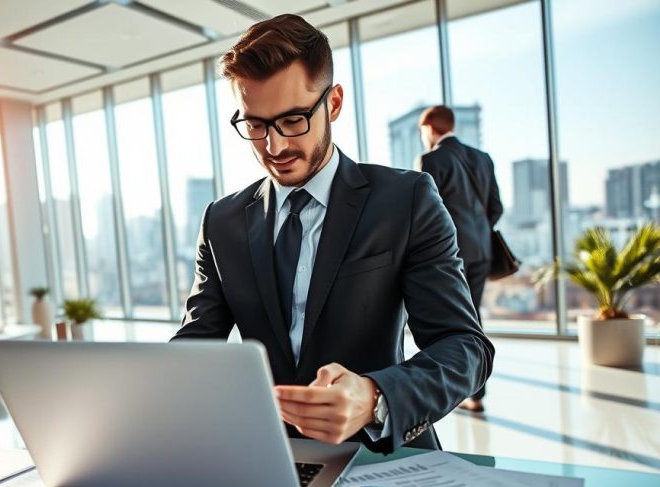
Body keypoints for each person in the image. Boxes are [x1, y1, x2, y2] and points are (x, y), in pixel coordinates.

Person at [172, 14, 494, 453]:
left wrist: (375, 396)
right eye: (255, 125)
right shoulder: (221, 220)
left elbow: (465, 348)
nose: (275, 147)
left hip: (380, 458)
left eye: (293, 120)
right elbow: (195, 348)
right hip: (268, 460)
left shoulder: (406, 200)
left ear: (334, 103)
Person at [417, 105, 503, 412]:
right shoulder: (482, 158)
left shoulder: (431, 159)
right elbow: (496, 208)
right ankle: (475, 393)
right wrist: (477, 232)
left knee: (455, 323)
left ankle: (463, 391)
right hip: (482, 249)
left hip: (450, 254)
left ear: (429, 129)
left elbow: (426, 214)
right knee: (473, 316)